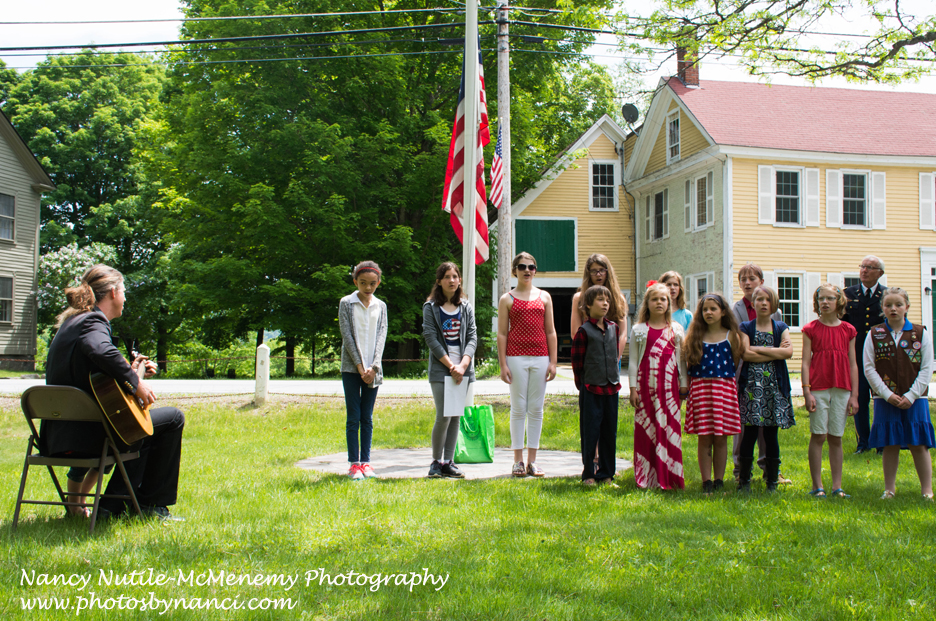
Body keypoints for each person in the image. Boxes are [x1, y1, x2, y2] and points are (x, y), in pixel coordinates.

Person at [43, 265, 185, 522]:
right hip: (90, 436)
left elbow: (94, 377)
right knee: (172, 418)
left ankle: (112, 507)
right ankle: (148, 505)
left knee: (140, 426)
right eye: (124, 291)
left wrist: (134, 371)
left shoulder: (72, 323)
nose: (126, 298)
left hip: (58, 435)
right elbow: (101, 351)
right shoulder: (93, 321)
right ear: (112, 292)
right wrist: (136, 382)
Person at [863, 287, 935, 500]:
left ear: (907, 307)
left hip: (916, 399)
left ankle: (927, 491)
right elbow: (869, 367)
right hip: (885, 399)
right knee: (890, 442)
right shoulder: (874, 333)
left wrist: (911, 395)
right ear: (882, 308)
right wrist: (887, 395)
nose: (893, 309)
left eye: (898, 304)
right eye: (888, 305)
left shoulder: (921, 333)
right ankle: (889, 490)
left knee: (918, 443)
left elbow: (927, 367)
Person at [497, 252, 558, 477]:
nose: (526, 270)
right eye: (522, 266)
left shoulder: (544, 297)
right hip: (515, 357)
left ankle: (532, 461)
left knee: (536, 409)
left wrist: (553, 362)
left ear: (535, 270)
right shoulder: (507, 299)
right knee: (518, 408)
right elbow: (502, 334)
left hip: (541, 357)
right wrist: (502, 364)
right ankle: (517, 461)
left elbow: (550, 331)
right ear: (515, 270)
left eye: (531, 267)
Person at [730, 263, 790, 485]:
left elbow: (787, 350)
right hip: (744, 374)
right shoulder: (736, 310)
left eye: (752, 278)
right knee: (745, 425)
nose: (747, 283)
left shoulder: (777, 314)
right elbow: (741, 348)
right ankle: (740, 471)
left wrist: (762, 351)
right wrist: (775, 353)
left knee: (769, 426)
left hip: (772, 378)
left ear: (761, 282)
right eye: (743, 279)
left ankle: (770, 470)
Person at [629, 282, 688, 490]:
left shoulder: (677, 330)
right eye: (655, 299)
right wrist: (632, 389)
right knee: (647, 429)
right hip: (645, 387)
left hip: (669, 390)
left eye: (663, 299)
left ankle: (670, 476)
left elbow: (681, 361)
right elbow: (634, 361)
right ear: (647, 303)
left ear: (669, 303)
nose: (659, 302)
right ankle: (646, 476)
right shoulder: (639, 330)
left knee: (668, 429)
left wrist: (683, 385)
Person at [802, 284, 859, 498]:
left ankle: (837, 486)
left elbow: (853, 363)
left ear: (839, 302)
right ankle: (818, 486)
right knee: (818, 435)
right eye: (821, 299)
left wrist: (854, 395)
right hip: (818, 388)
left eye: (830, 298)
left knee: (836, 436)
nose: (825, 302)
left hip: (842, 388)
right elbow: (806, 362)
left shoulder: (849, 330)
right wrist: (807, 392)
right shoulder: (810, 329)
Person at [422, 262, 477, 479]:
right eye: (447, 276)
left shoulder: (466, 306)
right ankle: (436, 462)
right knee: (443, 416)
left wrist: (463, 365)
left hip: (463, 369)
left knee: (455, 415)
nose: (452, 280)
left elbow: (472, 336)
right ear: (439, 281)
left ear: (460, 280)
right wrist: (451, 366)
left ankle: (449, 462)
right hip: (441, 368)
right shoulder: (430, 308)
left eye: (455, 276)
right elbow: (430, 338)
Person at [683, 293, 742, 495]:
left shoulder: (731, 335)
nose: (708, 312)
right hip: (701, 391)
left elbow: (735, 361)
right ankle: (706, 481)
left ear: (723, 312)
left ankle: (719, 481)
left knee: (721, 438)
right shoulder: (695, 337)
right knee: (705, 437)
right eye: (705, 309)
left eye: (713, 309)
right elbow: (689, 363)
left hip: (723, 390)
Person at [338, 261, 388, 481]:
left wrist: (374, 367)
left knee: (367, 417)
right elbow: (347, 336)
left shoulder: (381, 306)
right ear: (355, 281)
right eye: (363, 283)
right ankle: (353, 464)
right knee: (353, 416)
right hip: (351, 369)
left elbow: (381, 336)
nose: (368, 288)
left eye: (372, 283)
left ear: (378, 283)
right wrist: (359, 366)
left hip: (373, 370)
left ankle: (366, 462)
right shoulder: (346, 303)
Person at [571, 285, 621, 485]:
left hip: (611, 388)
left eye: (607, 300)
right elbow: (577, 363)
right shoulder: (584, 331)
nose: (605, 303)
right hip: (591, 388)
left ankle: (607, 474)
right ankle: (589, 474)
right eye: (600, 300)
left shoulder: (613, 328)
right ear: (588, 305)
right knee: (590, 432)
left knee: (609, 432)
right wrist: (582, 385)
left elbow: (614, 354)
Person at [843, 255, 886, 455]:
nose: (864, 270)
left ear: (880, 273)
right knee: (859, 399)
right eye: (862, 266)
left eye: (870, 267)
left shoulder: (887, 295)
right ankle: (863, 443)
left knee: (880, 399)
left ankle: (881, 442)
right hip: (856, 356)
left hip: (881, 357)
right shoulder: (848, 294)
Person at [571, 254, 628, 353]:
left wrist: (616, 357)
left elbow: (623, 334)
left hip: (612, 354)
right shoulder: (579, 298)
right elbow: (575, 333)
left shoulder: (619, 298)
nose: (598, 274)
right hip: (589, 355)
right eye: (594, 271)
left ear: (608, 272)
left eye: (602, 270)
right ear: (588, 274)